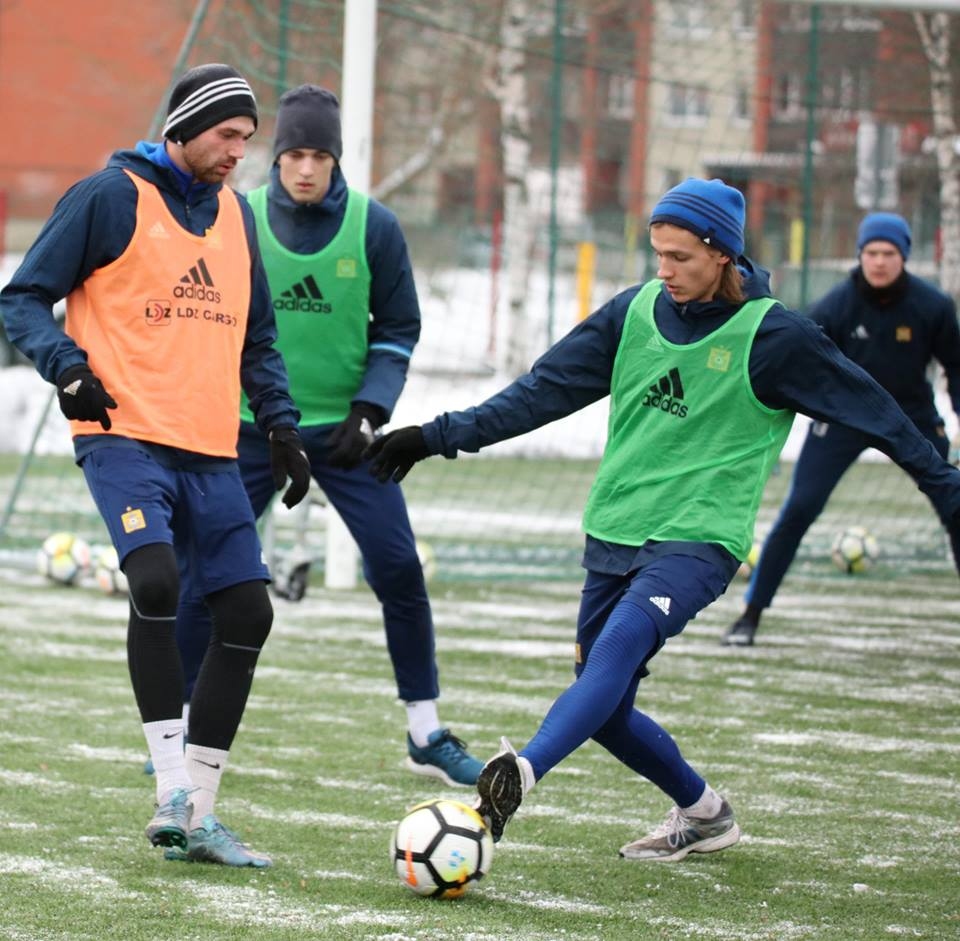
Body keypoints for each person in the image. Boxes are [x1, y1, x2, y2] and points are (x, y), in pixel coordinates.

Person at [364, 179, 960, 861]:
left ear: (723, 254)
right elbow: (541, 393)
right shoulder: (635, 313)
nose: (666, 270)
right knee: (607, 708)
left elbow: (881, 413)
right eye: (658, 255)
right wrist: (435, 435)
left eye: (680, 257)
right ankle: (705, 813)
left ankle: (521, 773)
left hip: (701, 538)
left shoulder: (776, 337)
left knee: (617, 649)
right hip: (615, 529)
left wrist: (945, 482)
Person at [0, 63, 312, 868]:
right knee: (157, 583)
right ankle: (170, 788)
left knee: (248, 612)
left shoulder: (239, 218)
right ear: (182, 127)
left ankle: (199, 816)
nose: (237, 152)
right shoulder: (109, 196)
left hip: (213, 447)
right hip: (121, 434)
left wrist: (281, 427)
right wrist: (67, 365)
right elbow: (21, 297)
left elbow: (260, 339)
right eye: (225, 135)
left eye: (247, 139)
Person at [170, 83, 483, 787]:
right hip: (248, 430)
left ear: (337, 160)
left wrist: (370, 412)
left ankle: (425, 730)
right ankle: (180, 732)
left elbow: (399, 329)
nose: (306, 168)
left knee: (399, 567)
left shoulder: (376, 227)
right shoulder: (233, 216)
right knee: (202, 572)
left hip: (345, 436)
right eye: (294, 154)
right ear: (275, 157)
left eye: (320, 155)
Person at [722, 211, 960, 647]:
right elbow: (795, 367)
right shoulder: (834, 308)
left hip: (912, 416)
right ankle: (750, 616)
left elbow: (955, 370)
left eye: (889, 253)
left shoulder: (934, 307)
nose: (880, 261)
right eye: (871, 252)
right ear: (860, 256)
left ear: (903, 256)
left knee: (955, 501)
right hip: (843, 417)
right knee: (799, 509)